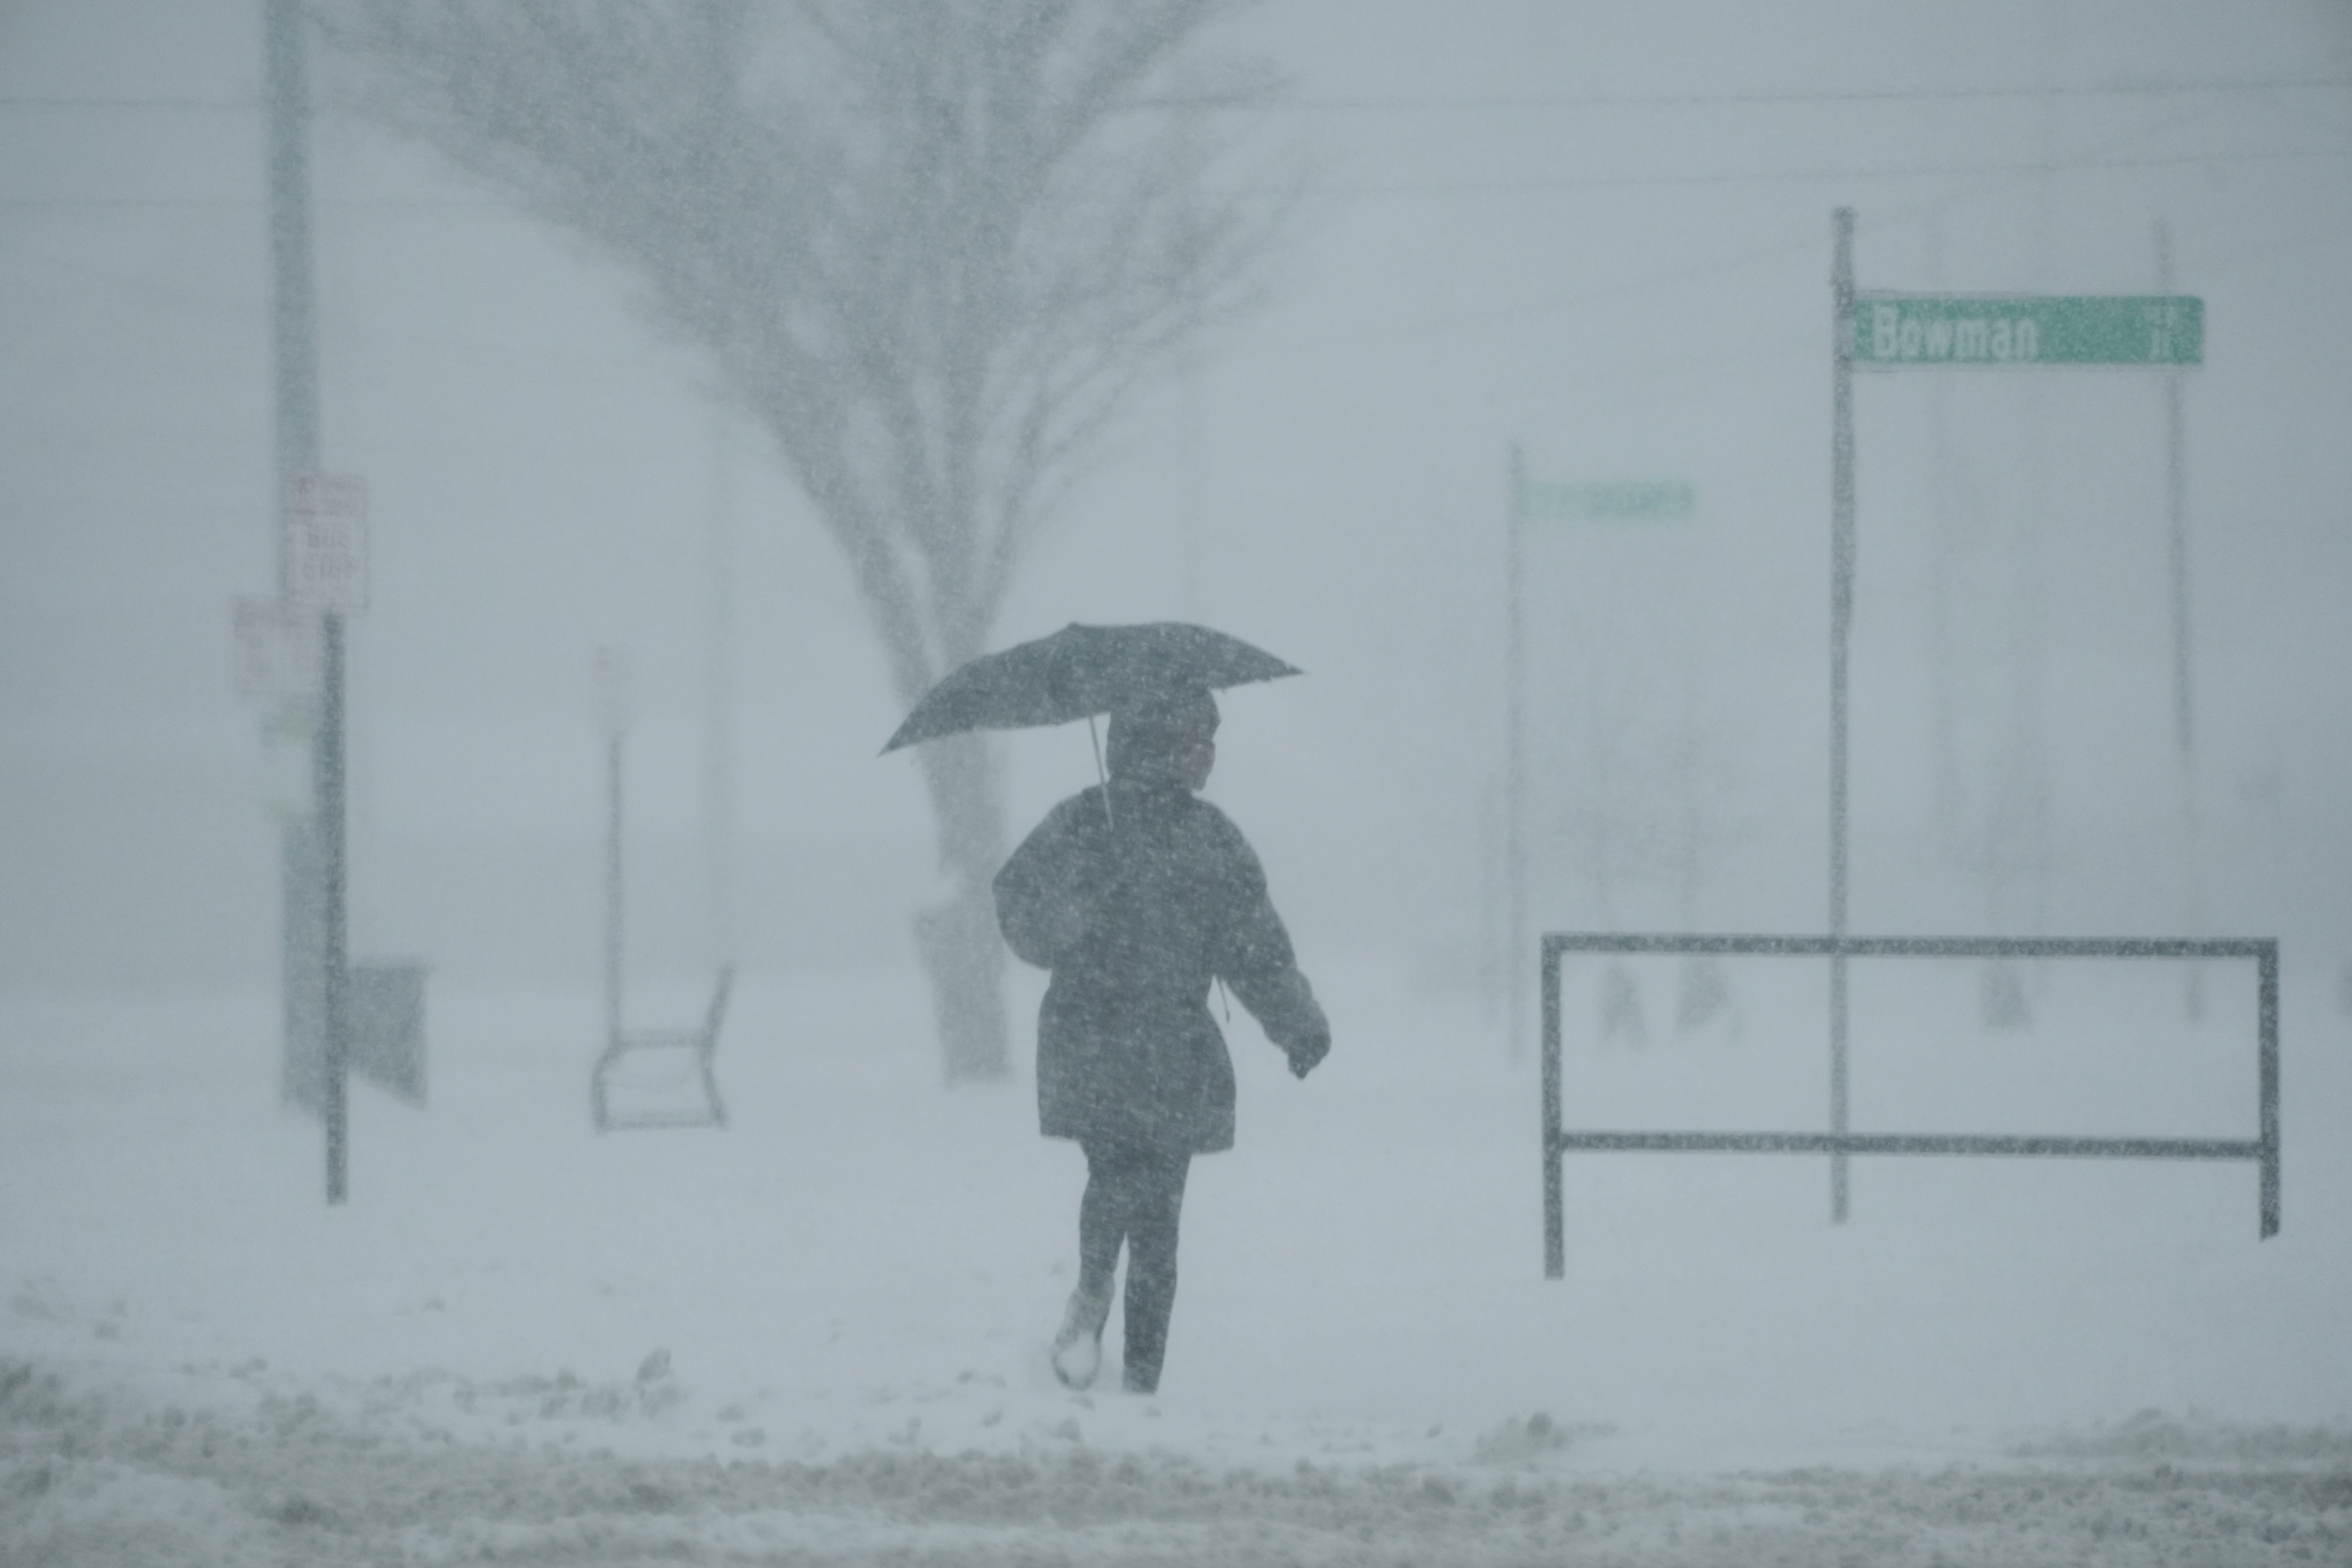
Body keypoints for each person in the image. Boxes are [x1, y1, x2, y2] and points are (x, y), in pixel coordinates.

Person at [992, 685, 1329, 1394]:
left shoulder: (1207, 838)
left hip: (1168, 1046)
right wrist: (1069, 922)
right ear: (1151, 746)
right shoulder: (1092, 823)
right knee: (1122, 1180)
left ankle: (1140, 1374)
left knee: (1158, 1221)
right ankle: (1093, 1301)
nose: (1206, 757)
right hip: (1102, 1038)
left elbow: (1256, 949)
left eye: (1211, 742)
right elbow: (1016, 899)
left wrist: (1297, 1023)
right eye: (1192, 742)